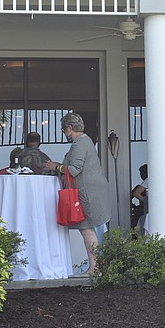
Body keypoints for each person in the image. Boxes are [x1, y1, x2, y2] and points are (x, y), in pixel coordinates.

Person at [44, 112, 110, 275]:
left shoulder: (80, 143)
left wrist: (56, 167)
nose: (64, 133)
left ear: (69, 128)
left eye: (63, 129)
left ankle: (94, 268)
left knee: (86, 228)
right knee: (88, 228)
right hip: (90, 190)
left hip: (86, 192)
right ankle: (95, 266)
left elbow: (74, 169)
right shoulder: (85, 141)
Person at [130, 164, 148, 235]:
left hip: (145, 210)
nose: (141, 175)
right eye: (140, 173)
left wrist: (146, 202)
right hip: (141, 209)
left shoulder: (150, 180)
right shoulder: (139, 186)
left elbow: (135, 193)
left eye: (142, 172)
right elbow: (130, 196)